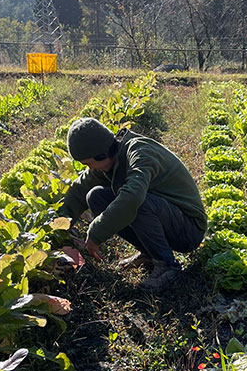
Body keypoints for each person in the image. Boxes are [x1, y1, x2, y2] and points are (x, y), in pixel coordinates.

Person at [60, 117, 206, 293]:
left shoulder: (140, 153)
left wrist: (96, 232)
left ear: (101, 154)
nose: (91, 169)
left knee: (136, 201)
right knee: (95, 197)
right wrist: (58, 226)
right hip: (166, 217)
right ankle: (149, 254)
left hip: (189, 228)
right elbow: (79, 191)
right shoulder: (109, 159)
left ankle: (167, 265)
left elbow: (133, 198)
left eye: (89, 164)